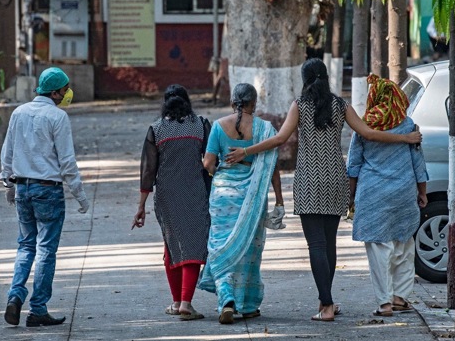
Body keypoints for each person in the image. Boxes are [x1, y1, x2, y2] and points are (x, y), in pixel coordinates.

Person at [225, 58, 422, 322]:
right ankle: (325, 300)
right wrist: (405, 138)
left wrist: (246, 151)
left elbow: (280, 138)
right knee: (328, 245)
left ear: (305, 79)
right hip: (335, 180)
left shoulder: (300, 105)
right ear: (327, 77)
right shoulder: (341, 105)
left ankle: (327, 305)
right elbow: (368, 133)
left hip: (308, 181)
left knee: (316, 245)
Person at [0, 67, 89, 327]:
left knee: (26, 245)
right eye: (65, 89)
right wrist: (80, 195)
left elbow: (8, 151)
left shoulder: (19, 112)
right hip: (48, 190)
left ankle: (15, 296)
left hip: (23, 189)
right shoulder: (57, 117)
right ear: (55, 92)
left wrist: (8, 182)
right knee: (46, 250)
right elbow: (67, 161)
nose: (67, 93)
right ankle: (37, 308)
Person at [197, 83, 285, 325]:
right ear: (254, 103)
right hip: (253, 196)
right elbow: (273, 168)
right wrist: (279, 199)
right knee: (249, 249)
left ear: (233, 101)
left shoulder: (217, 126)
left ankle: (226, 298)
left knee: (220, 244)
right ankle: (247, 305)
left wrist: (218, 174)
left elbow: (208, 164)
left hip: (223, 194)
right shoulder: (265, 129)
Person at [347, 74, 428, 317]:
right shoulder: (408, 125)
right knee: (404, 244)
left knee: (379, 249)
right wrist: (422, 193)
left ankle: (384, 303)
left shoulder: (364, 125)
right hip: (403, 192)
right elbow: (418, 165)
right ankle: (400, 298)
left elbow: (353, 166)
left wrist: (350, 197)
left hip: (373, 194)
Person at [131, 84, 211, 321]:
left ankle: (177, 302)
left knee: (172, 245)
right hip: (195, 192)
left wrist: (141, 205)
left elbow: (148, 170)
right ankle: (186, 303)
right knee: (193, 245)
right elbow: (210, 160)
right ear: (188, 102)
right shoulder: (201, 125)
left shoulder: (156, 130)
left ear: (165, 103)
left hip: (166, 195)